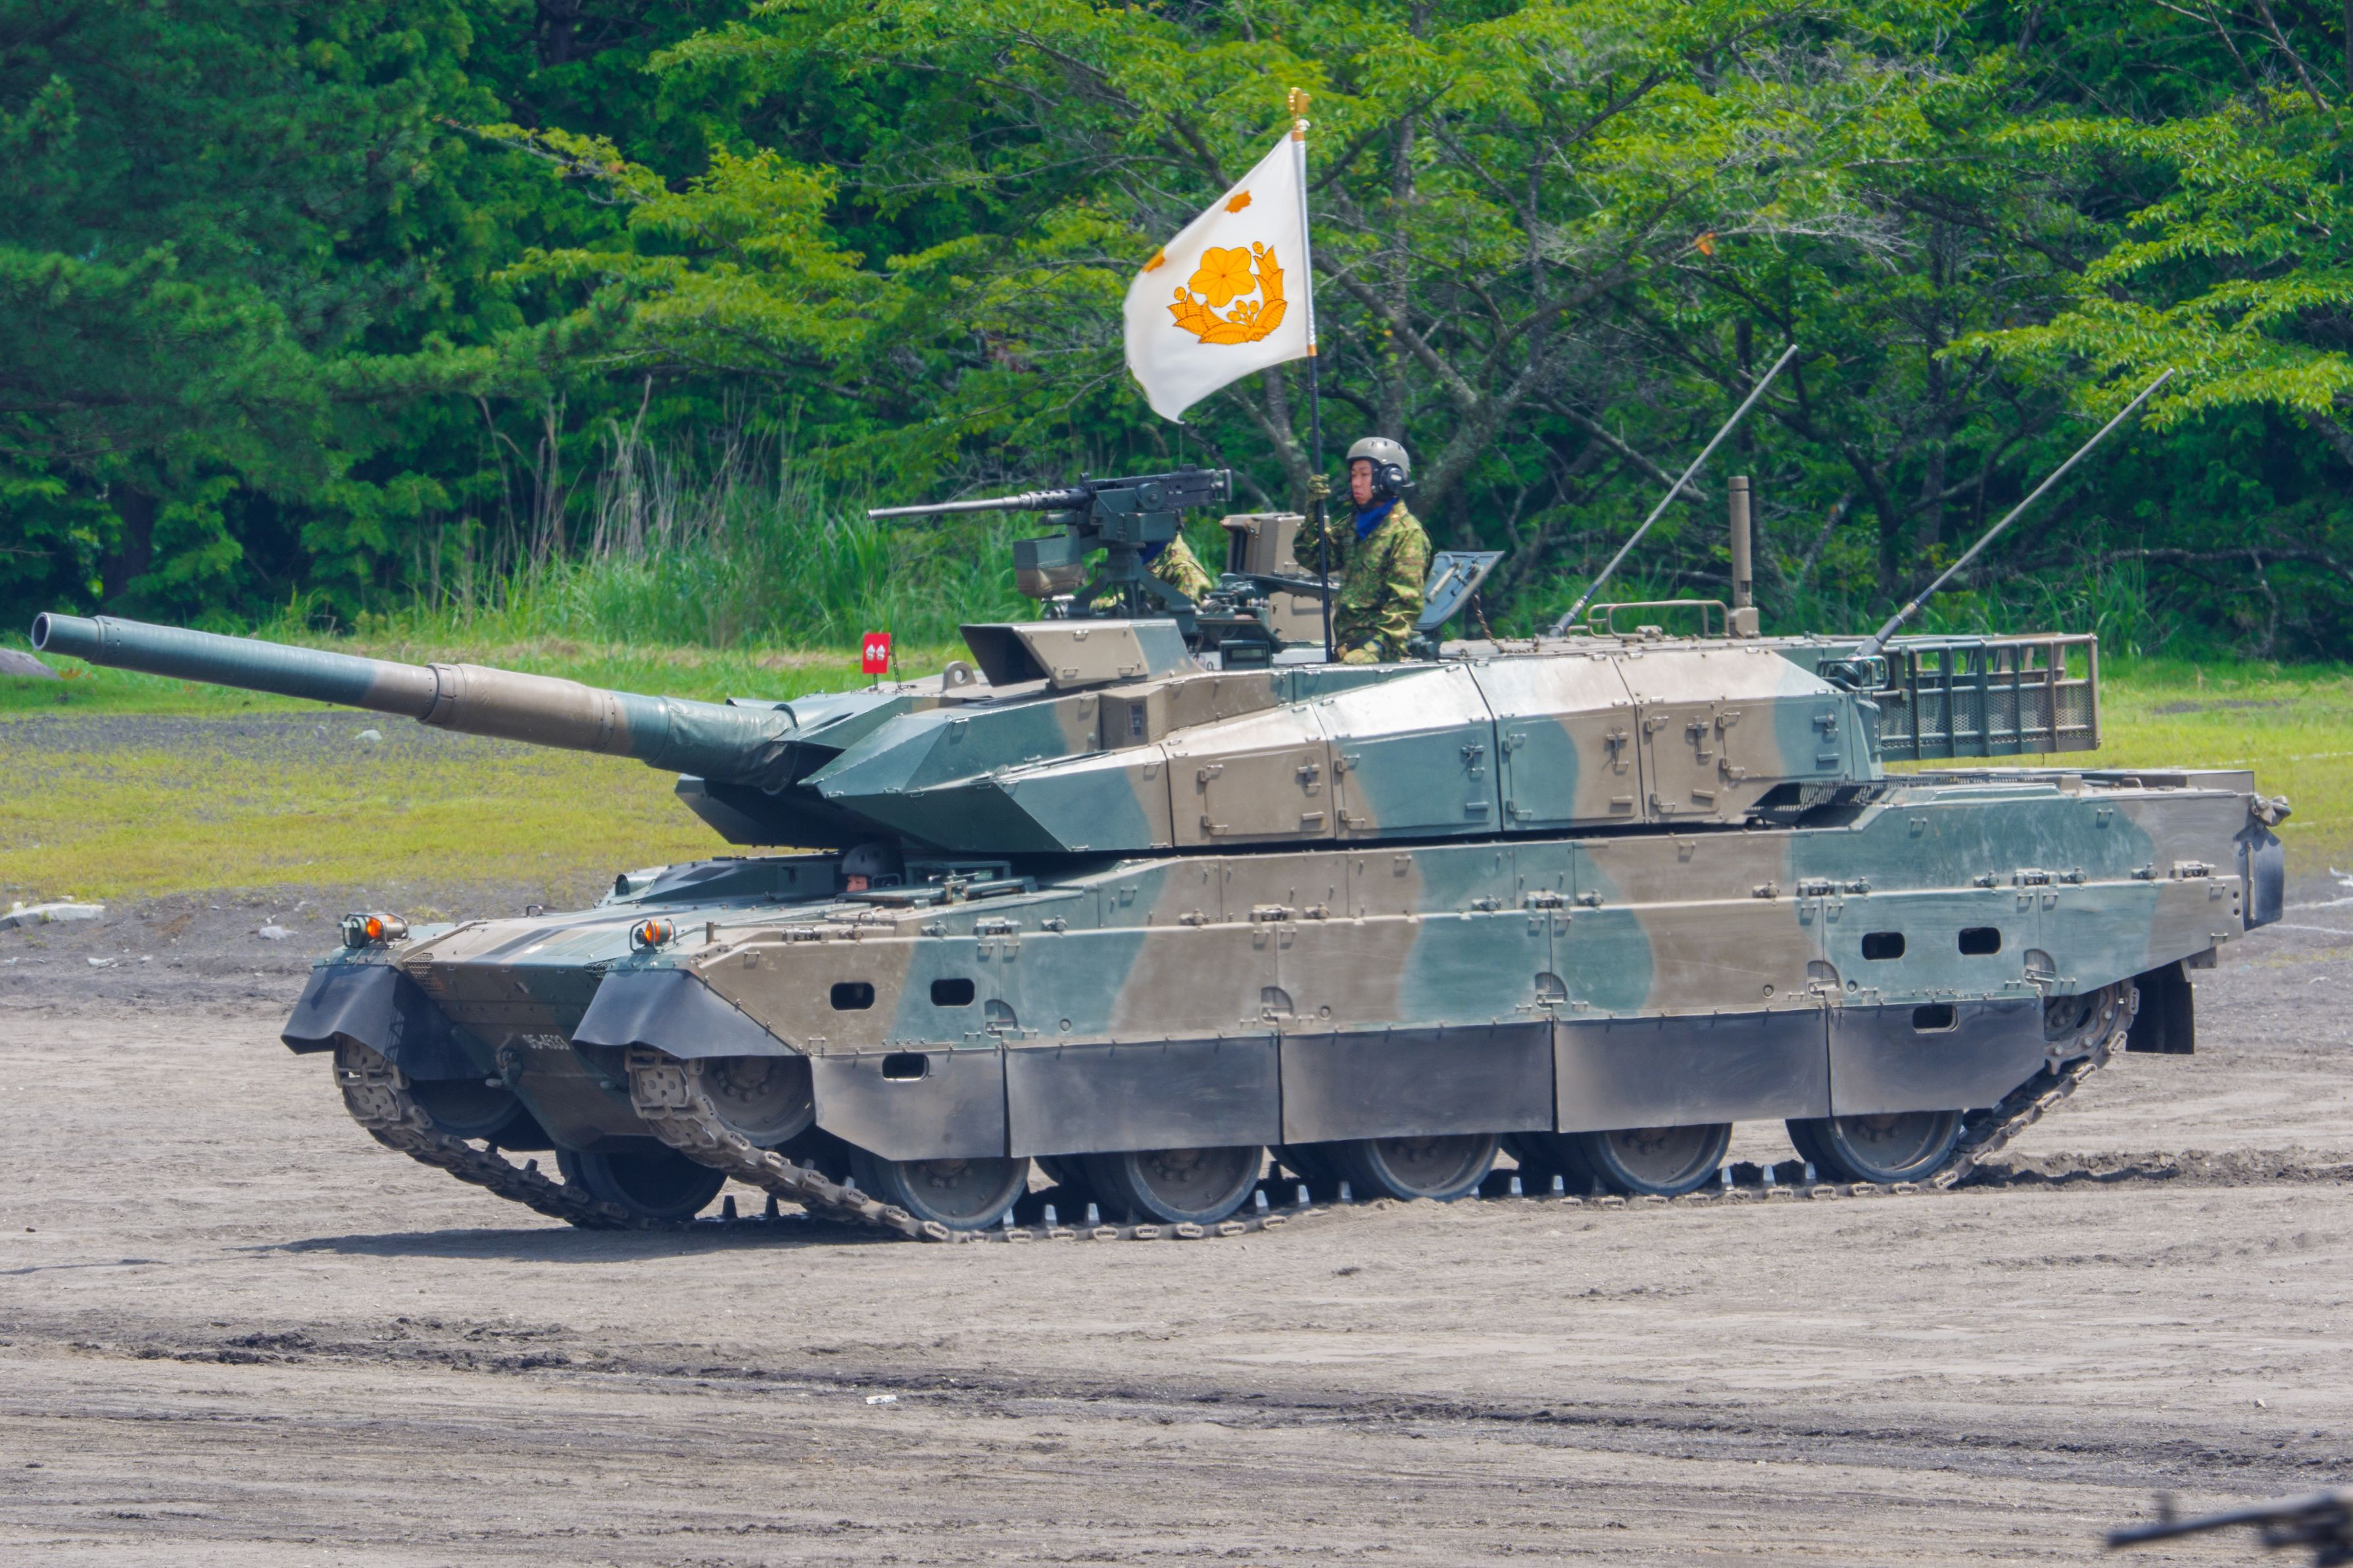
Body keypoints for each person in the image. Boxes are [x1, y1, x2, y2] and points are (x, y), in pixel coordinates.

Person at [1310, 436, 1430, 663]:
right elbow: (1315, 559)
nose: (1356, 483)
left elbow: (1406, 606)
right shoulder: (1353, 525)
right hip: (1347, 650)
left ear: (1389, 479)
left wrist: (1373, 650)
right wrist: (1312, 510)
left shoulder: (1406, 533)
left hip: (1380, 656)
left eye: (1364, 475)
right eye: (1354, 475)